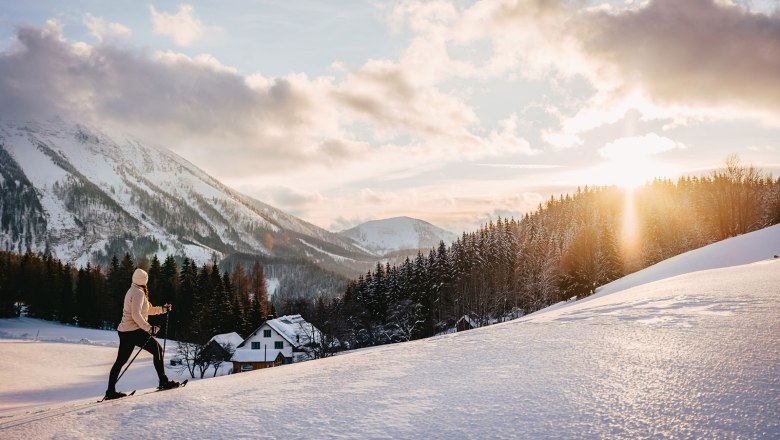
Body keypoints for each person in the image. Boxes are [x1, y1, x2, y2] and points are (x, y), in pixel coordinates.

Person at [105, 268, 180, 400]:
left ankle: (110, 391)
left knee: (120, 361)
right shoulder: (138, 293)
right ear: (144, 280)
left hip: (125, 331)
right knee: (158, 350)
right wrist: (149, 328)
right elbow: (136, 315)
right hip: (133, 331)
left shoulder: (133, 290)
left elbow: (147, 310)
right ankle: (163, 381)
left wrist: (162, 309)